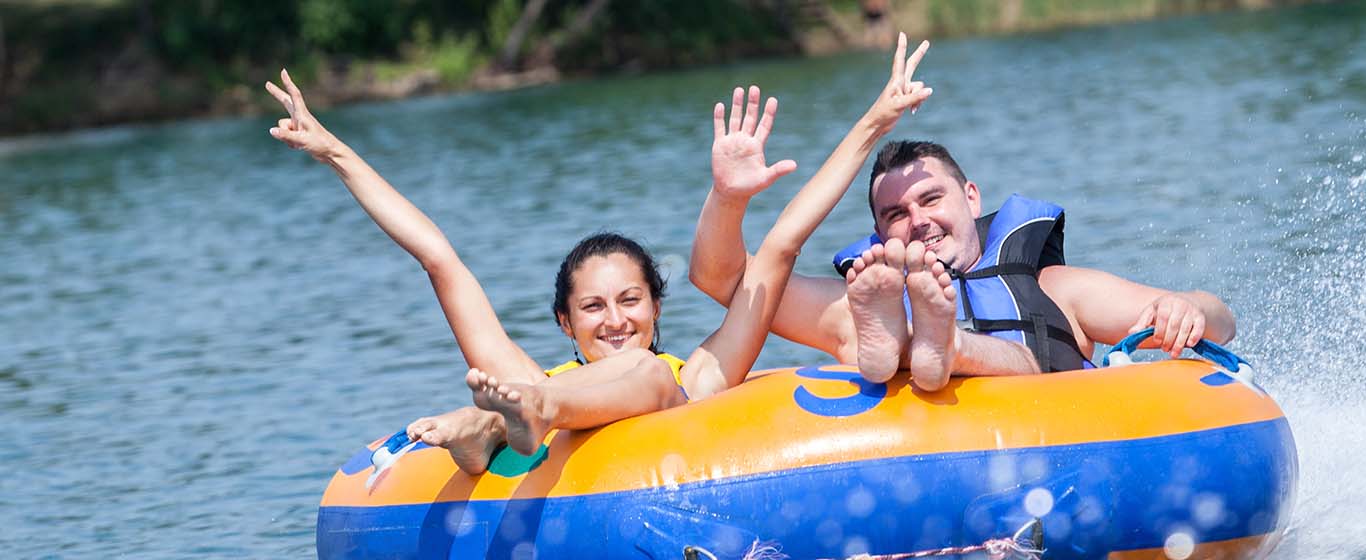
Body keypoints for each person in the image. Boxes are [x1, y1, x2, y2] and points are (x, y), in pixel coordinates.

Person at [265, 34, 934, 468]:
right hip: (530, 403)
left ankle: (494, 429)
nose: (614, 320)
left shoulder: (698, 376)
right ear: (566, 322)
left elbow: (782, 244)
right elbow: (439, 259)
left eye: (628, 300)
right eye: (593, 307)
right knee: (541, 393)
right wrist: (336, 152)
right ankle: (486, 431)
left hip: (541, 407)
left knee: (646, 377)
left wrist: (874, 120)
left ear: (654, 307)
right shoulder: (526, 377)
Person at [690, 105, 1236, 394]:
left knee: (989, 354)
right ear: (881, 238)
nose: (919, 221)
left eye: (931, 199)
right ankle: (917, 347)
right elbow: (728, 284)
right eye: (896, 215)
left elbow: (1221, 322)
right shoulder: (863, 299)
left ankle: (944, 347)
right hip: (931, 467)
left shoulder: (1054, 289)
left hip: (1063, 445)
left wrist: (1186, 306)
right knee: (879, 325)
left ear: (972, 198)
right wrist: (727, 199)